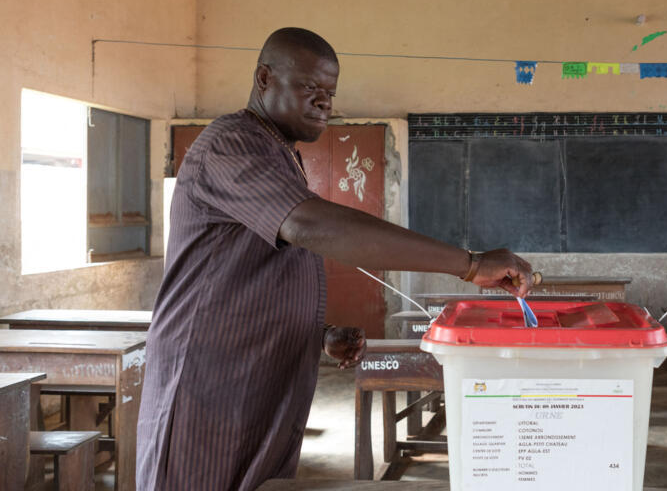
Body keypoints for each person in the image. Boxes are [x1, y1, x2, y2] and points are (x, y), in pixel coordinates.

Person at [136, 27, 535, 491]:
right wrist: (468, 263)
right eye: (310, 89)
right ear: (265, 78)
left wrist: (318, 333)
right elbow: (309, 226)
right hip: (210, 383)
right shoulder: (232, 143)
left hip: (257, 381)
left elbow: (248, 274)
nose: (324, 103)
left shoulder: (279, 154)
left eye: (330, 93)